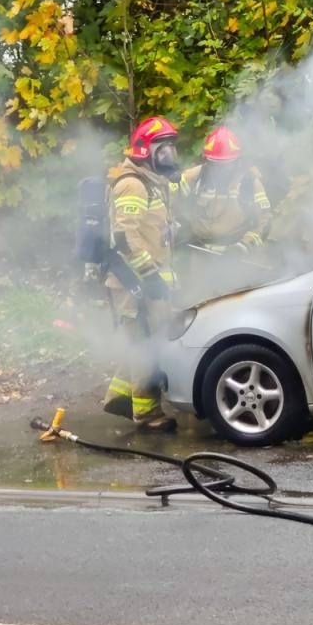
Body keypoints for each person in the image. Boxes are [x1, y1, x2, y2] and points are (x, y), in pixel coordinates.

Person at [101, 115, 182, 431]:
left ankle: (119, 398)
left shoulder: (153, 183)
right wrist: (150, 276)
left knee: (145, 342)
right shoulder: (133, 184)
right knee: (145, 345)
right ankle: (147, 415)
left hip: (146, 280)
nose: (171, 154)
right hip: (134, 283)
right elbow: (125, 237)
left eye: (172, 147)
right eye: (164, 148)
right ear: (147, 151)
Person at [177, 126, 272, 252]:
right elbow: (169, 203)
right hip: (199, 251)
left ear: (237, 161)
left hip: (234, 255)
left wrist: (244, 246)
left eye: (225, 164)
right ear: (206, 160)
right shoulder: (194, 177)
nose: (219, 169)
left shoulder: (249, 183)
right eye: (214, 163)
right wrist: (178, 229)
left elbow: (265, 221)